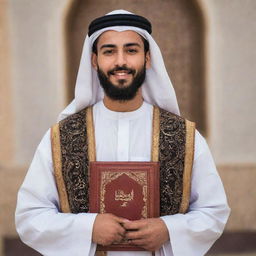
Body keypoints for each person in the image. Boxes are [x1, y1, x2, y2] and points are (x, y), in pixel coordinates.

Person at [15, 9, 230, 256]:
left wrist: (169, 230)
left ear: (147, 59)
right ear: (94, 61)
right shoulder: (61, 138)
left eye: (131, 50)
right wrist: (87, 228)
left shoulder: (184, 137)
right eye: (109, 51)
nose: (120, 62)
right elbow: (29, 217)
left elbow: (214, 211)